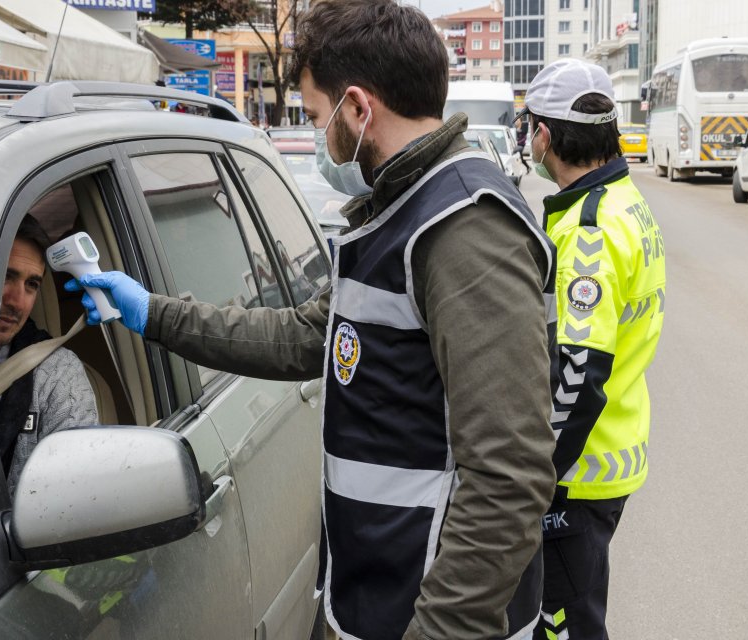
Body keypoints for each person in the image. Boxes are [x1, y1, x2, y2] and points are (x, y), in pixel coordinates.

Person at [67, 1, 560, 638]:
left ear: (357, 109)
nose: (320, 134)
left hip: (429, 613)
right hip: (377, 594)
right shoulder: (400, 211)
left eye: (315, 115)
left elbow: (510, 477)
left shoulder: (463, 228)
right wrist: (155, 314)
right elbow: (307, 335)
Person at [521, 59, 667, 640]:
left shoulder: (589, 232)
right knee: (578, 612)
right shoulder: (626, 201)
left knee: (564, 625)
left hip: (575, 475)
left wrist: (537, 477)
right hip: (609, 453)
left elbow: (579, 373)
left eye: (529, 127)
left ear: (545, 136)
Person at [0, 214, 98, 494]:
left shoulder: (57, 376)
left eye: (32, 285)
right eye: (6, 276)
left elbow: (73, 499)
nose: (17, 301)